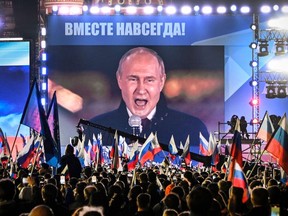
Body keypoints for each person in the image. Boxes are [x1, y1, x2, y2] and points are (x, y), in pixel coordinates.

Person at [85, 47, 209, 162]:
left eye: (149, 80)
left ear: (161, 82)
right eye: (133, 79)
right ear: (119, 80)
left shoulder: (192, 129)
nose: (141, 89)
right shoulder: (95, 130)